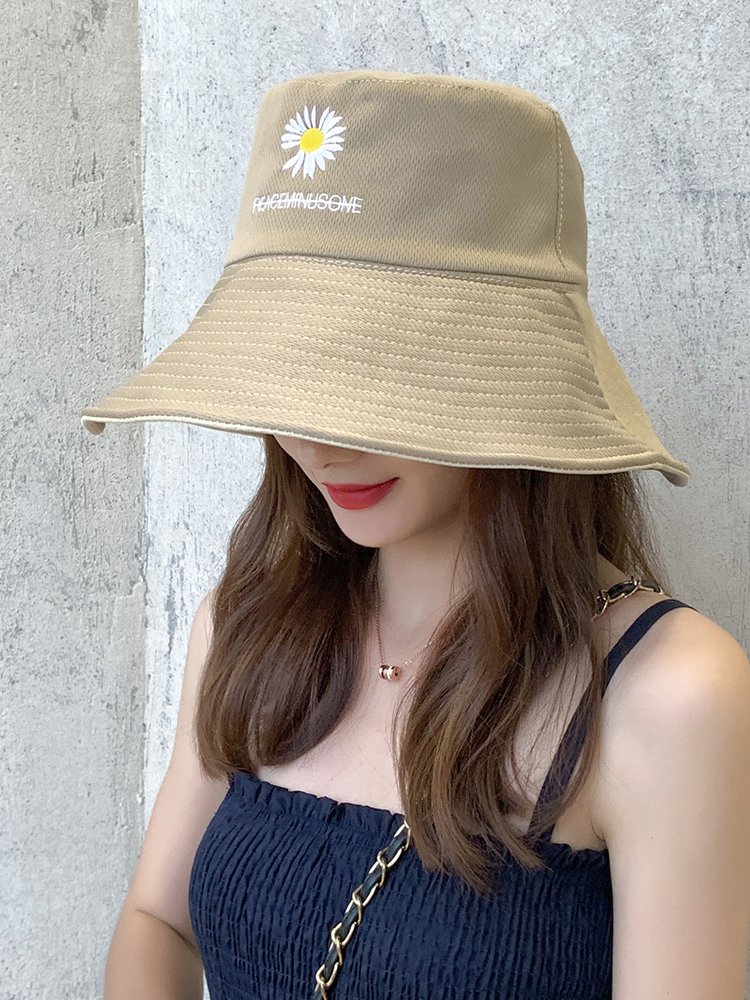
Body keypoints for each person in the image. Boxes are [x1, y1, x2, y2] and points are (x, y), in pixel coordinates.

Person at [81, 70, 750, 999]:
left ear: (513, 368)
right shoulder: (246, 624)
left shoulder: (670, 696)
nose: (321, 441)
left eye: (377, 375)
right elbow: (158, 920)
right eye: (291, 373)